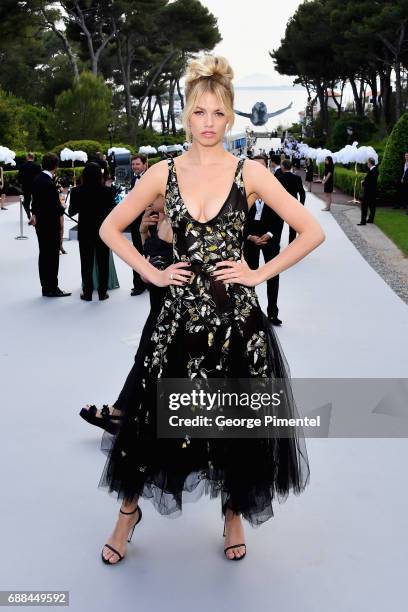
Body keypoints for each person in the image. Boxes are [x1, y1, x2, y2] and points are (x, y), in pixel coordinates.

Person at [90, 54, 324, 565]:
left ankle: (232, 512)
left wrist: (259, 274)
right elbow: (111, 227)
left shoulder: (251, 172)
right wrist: (151, 272)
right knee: (152, 421)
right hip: (177, 323)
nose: (209, 122)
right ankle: (128, 513)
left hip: (236, 325)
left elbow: (313, 230)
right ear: (186, 114)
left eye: (218, 112)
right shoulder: (162, 173)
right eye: (199, 112)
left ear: (231, 115)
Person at [243, 154, 284, 325]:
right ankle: (248, 312)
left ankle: (273, 313)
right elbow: (238, 217)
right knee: (247, 276)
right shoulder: (242, 189)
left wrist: (270, 234)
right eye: (254, 165)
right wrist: (250, 236)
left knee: (273, 276)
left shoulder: (274, 188)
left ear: (266, 167)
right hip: (250, 238)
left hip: (270, 237)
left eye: (261, 165)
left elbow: (281, 214)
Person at [68, 162, 115, 301]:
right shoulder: (107, 191)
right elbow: (113, 210)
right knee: (103, 262)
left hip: (85, 231)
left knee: (86, 262)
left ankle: (87, 293)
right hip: (102, 231)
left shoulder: (76, 191)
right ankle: (102, 292)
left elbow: (71, 211)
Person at [31, 153, 71, 297]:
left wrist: (34, 214)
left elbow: (35, 202)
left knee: (44, 254)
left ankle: (45, 287)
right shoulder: (48, 183)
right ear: (56, 166)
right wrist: (63, 207)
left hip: (40, 224)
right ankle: (52, 288)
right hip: (50, 224)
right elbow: (53, 207)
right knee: (52, 256)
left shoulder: (37, 179)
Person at [129, 155, 148, 296]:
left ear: (145, 164)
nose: (135, 166)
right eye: (133, 164)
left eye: (137, 164)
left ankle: (150, 282)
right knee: (136, 252)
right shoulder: (134, 178)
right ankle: (139, 284)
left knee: (149, 251)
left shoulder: (150, 178)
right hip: (136, 221)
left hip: (148, 221)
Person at [277, 159, 306, 244]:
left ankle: (277, 243)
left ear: (282, 166)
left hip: (281, 205)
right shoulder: (297, 178)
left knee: (278, 226)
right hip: (294, 204)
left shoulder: (279, 178)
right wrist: (301, 205)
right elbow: (302, 193)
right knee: (293, 228)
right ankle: (291, 244)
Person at [17, 153, 42, 219]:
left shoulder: (22, 166)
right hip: (35, 186)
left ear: (27, 157)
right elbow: (40, 176)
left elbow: (19, 177)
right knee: (35, 201)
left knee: (27, 200)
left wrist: (21, 183)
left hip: (26, 186)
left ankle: (28, 211)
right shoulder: (37, 166)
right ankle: (34, 214)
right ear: (33, 158)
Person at [357, 157, 379, 226]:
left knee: (364, 206)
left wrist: (363, 182)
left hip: (368, 192)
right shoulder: (375, 170)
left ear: (369, 163)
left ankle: (363, 221)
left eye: (368, 162)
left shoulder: (372, 171)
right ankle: (370, 219)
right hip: (373, 191)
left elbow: (369, 182)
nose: (367, 163)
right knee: (372, 206)